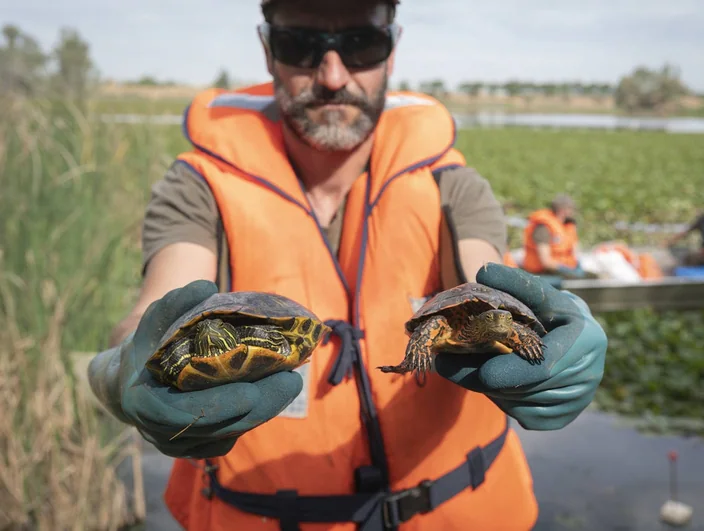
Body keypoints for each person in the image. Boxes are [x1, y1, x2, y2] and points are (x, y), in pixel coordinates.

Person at [87, 1, 607, 529]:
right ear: (268, 51)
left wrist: (548, 334)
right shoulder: (197, 188)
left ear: (391, 49)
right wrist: (120, 372)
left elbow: (480, 280)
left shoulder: (452, 186)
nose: (332, 76)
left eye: (361, 45)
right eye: (300, 45)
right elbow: (156, 308)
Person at [522, 194, 589, 279]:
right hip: (543, 274)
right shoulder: (543, 228)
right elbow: (545, 261)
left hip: (562, 271)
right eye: (571, 209)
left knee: (591, 277)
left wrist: (576, 266)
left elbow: (575, 251)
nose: (573, 212)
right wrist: (566, 270)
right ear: (562, 210)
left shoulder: (567, 226)